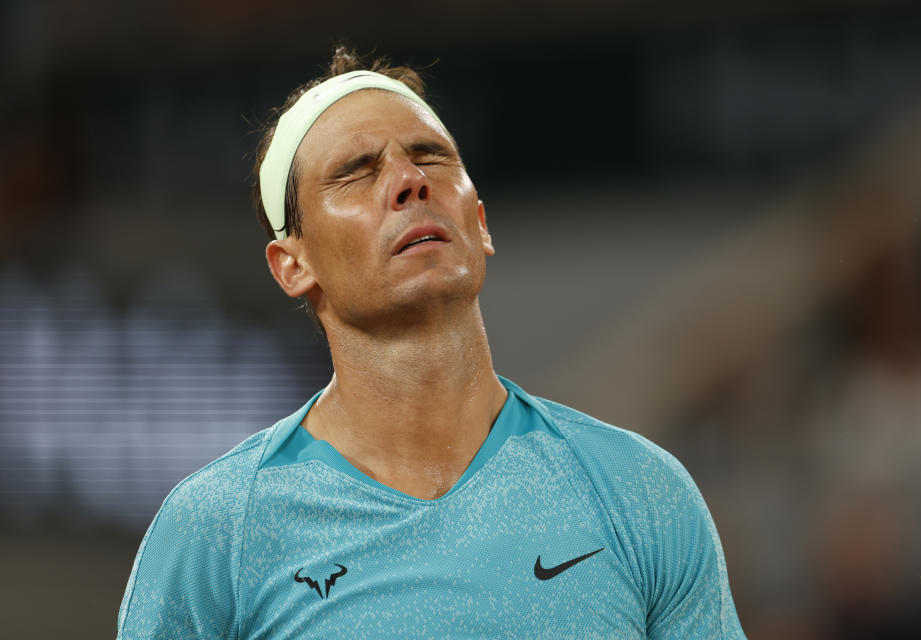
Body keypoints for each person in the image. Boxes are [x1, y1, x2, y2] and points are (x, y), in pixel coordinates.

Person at [116, 47, 748, 639]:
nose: (409, 181)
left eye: (431, 156)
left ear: (479, 222)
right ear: (293, 265)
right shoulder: (218, 529)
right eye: (356, 173)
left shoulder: (639, 490)